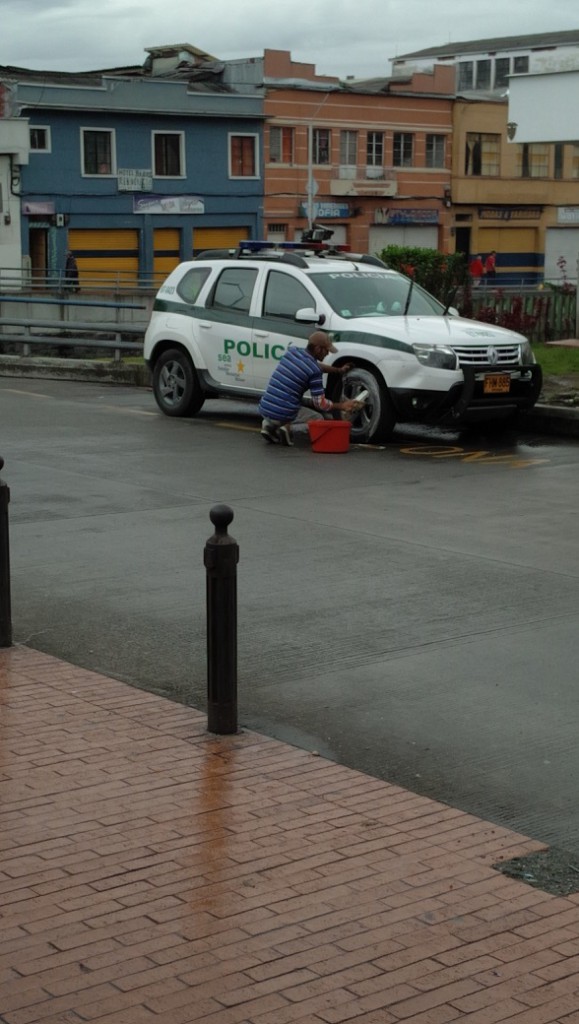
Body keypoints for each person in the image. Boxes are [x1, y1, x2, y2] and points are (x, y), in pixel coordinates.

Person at [258, 330, 361, 446]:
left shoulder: (292, 352)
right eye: (326, 350)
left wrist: (338, 370)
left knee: (296, 401)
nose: (327, 354)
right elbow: (320, 404)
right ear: (318, 349)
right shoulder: (314, 371)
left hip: (265, 407)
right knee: (318, 419)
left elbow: (315, 365)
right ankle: (288, 429)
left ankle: (268, 425)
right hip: (283, 411)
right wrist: (341, 406)